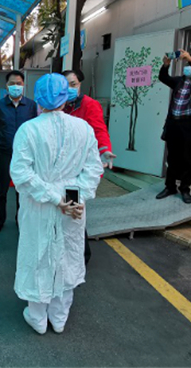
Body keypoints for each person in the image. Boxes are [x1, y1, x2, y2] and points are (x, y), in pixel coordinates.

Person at [10, 73, 104, 335]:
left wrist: (54, 198)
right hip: (72, 197)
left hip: (39, 201)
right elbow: (93, 168)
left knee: (37, 253)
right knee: (67, 254)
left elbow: (21, 173)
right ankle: (59, 317)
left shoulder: (28, 129)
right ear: (65, 99)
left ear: (38, 99)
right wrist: (74, 199)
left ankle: (37, 316)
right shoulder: (83, 128)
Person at [63, 70, 116, 265]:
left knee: (73, 210)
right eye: (66, 85)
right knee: (69, 209)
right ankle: (72, 251)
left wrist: (105, 150)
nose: (70, 88)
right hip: (63, 167)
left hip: (78, 170)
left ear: (80, 85)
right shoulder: (59, 106)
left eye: (74, 84)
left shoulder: (89, 105)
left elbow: (99, 130)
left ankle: (81, 255)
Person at [157, 50, 191, 204]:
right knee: (172, 157)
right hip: (173, 123)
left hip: (188, 124)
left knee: (187, 157)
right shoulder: (179, 81)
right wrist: (166, 65)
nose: (187, 67)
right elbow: (163, 77)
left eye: (190, 64)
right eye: (186, 64)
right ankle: (170, 187)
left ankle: (185, 189)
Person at [0, 70, 38, 234]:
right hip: (5, 153)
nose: (15, 86)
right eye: (12, 83)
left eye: (19, 83)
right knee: (1, 189)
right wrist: (3, 145)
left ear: (23, 85)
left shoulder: (31, 106)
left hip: (25, 155)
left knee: (22, 188)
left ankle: (20, 219)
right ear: (7, 86)